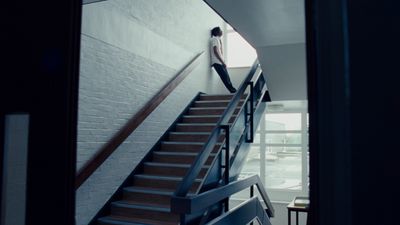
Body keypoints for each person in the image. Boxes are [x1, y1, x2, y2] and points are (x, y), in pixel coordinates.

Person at [210, 26, 237, 93]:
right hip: (217, 62)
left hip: (220, 62)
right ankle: (233, 91)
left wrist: (223, 61)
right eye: (220, 30)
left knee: (227, 77)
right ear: (217, 32)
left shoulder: (218, 40)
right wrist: (222, 62)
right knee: (225, 77)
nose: (222, 31)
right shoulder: (214, 39)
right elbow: (215, 51)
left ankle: (233, 90)